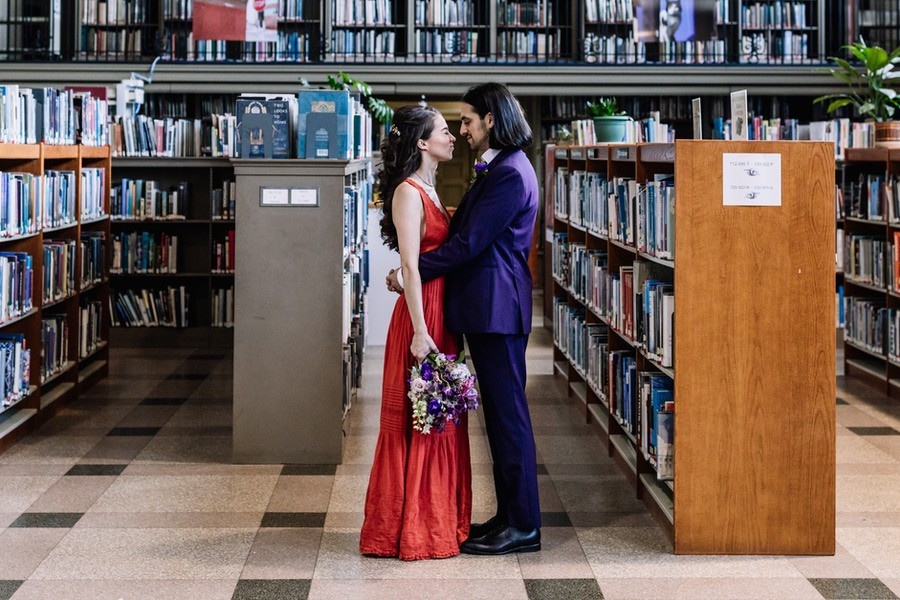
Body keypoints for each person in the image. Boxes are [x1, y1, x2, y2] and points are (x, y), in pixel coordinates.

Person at [388, 82, 541, 555]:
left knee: (508, 418)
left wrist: (408, 272)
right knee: (498, 418)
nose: (463, 130)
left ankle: (524, 525)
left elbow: (469, 244)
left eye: (469, 121)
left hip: (497, 310)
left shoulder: (510, 173)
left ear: (491, 119)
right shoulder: (501, 169)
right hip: (488, 308)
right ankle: (509, 516)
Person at [359, 105, 472, 561]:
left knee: (438, 416)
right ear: (422, 143)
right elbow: (409, 264)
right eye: (445, 131)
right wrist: (422, 333)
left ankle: (439, 520)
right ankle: (416, 529)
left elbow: (417, 264)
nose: (453, 137)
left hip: (437, 309)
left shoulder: (429, 184)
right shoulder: (408, 192)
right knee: (422, 418)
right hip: (422, 318)